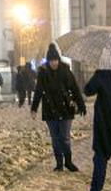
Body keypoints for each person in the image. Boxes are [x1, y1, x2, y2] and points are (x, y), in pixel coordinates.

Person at [31, 43, 86, 172]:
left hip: (65, 109)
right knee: (55, 138)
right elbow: (38, 91)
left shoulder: (66, 71)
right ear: (48, 61)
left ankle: (68, 161)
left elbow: (75, 89)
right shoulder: (43, 73)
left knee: (65, 137)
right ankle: (59, 163)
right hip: (50, 110)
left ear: (58, 59)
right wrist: (34, 108)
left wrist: (81, 105)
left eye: (55, 60)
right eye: (51, 61)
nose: (53, 63)